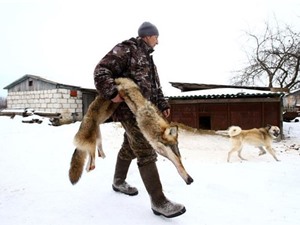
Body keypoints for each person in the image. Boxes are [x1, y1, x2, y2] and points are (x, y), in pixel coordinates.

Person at [93, 21, 186, 218]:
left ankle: (118, 181)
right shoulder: (127, 49)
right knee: (145, 149)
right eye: (156, 37)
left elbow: (155, 88)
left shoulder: (149, 60)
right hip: (129, 111)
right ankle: (159, 201)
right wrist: (112, 92)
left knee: (129, 147)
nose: (158, 42)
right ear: (147, 36)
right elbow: (101, 71)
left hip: (147, 112)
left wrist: (163, 104)